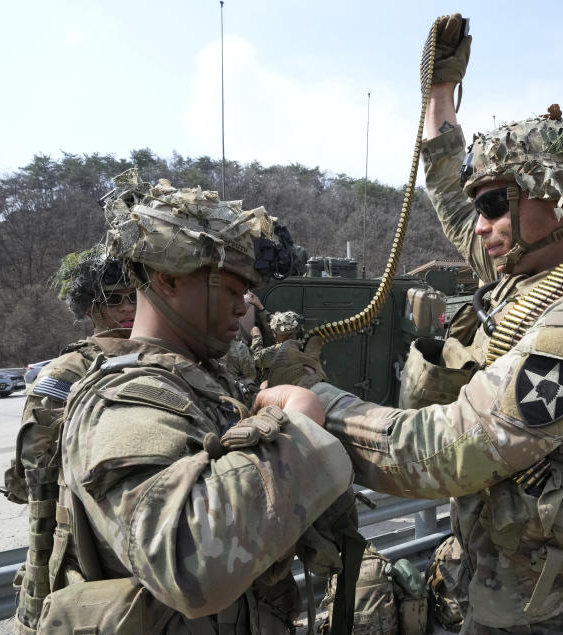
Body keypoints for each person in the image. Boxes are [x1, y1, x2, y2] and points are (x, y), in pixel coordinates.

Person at [267, 14, 563, 634]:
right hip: (505, 579)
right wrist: (438, 95)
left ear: (561, 203)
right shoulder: (525, 274)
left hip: (547, 608)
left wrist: (319, 403)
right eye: (480, 207)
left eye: (495, 205)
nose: (480, 225)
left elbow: (452, 451)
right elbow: (450, 198)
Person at [35, 169, 356, 633]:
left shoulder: (198, 378)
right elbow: (185, 563)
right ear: (167, 280)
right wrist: (299, 430)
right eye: (229, 289)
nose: (243, 306)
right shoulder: (126, 398)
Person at [2, 246, 137, 631]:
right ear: (91, 307)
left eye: (134, 298)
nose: (127, 309)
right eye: (114, 300)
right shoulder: (72, 366)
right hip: (74, 510)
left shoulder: (161, 354)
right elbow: (35, 454)